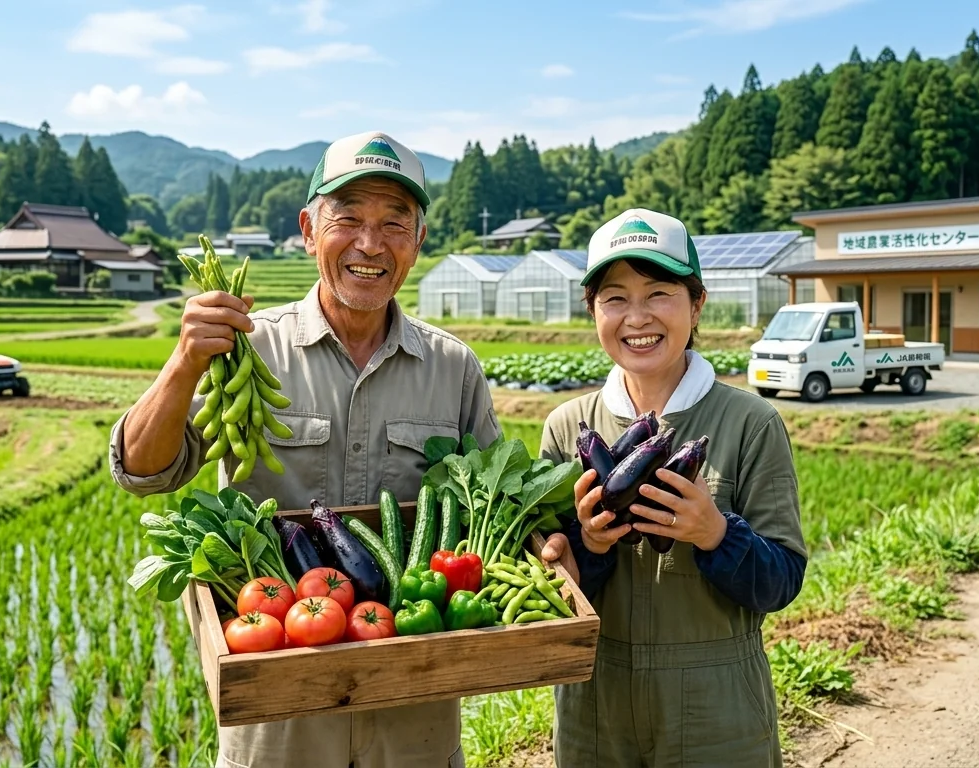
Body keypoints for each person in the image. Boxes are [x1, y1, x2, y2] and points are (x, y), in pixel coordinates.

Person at [109, 131, 500, 768]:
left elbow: (490, 506)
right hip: (278, 699)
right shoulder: (246, 349)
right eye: (348, 218)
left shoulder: (452, 366)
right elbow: (146, 474)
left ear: (419, 239)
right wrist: (183, 362)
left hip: (413, 703)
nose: (371, 244)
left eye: (394, 222)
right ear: (308, 230)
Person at [537, 208, 807, 767]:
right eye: (614, 298)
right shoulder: (567, 428)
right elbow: (549, 583)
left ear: (696, 302)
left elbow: (781, 580)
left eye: (659, 292)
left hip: (718, 706)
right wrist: (587, 544)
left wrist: (715, 534)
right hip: (595, 707)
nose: (637, 317)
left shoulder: (751, 423)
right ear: (592, 310)